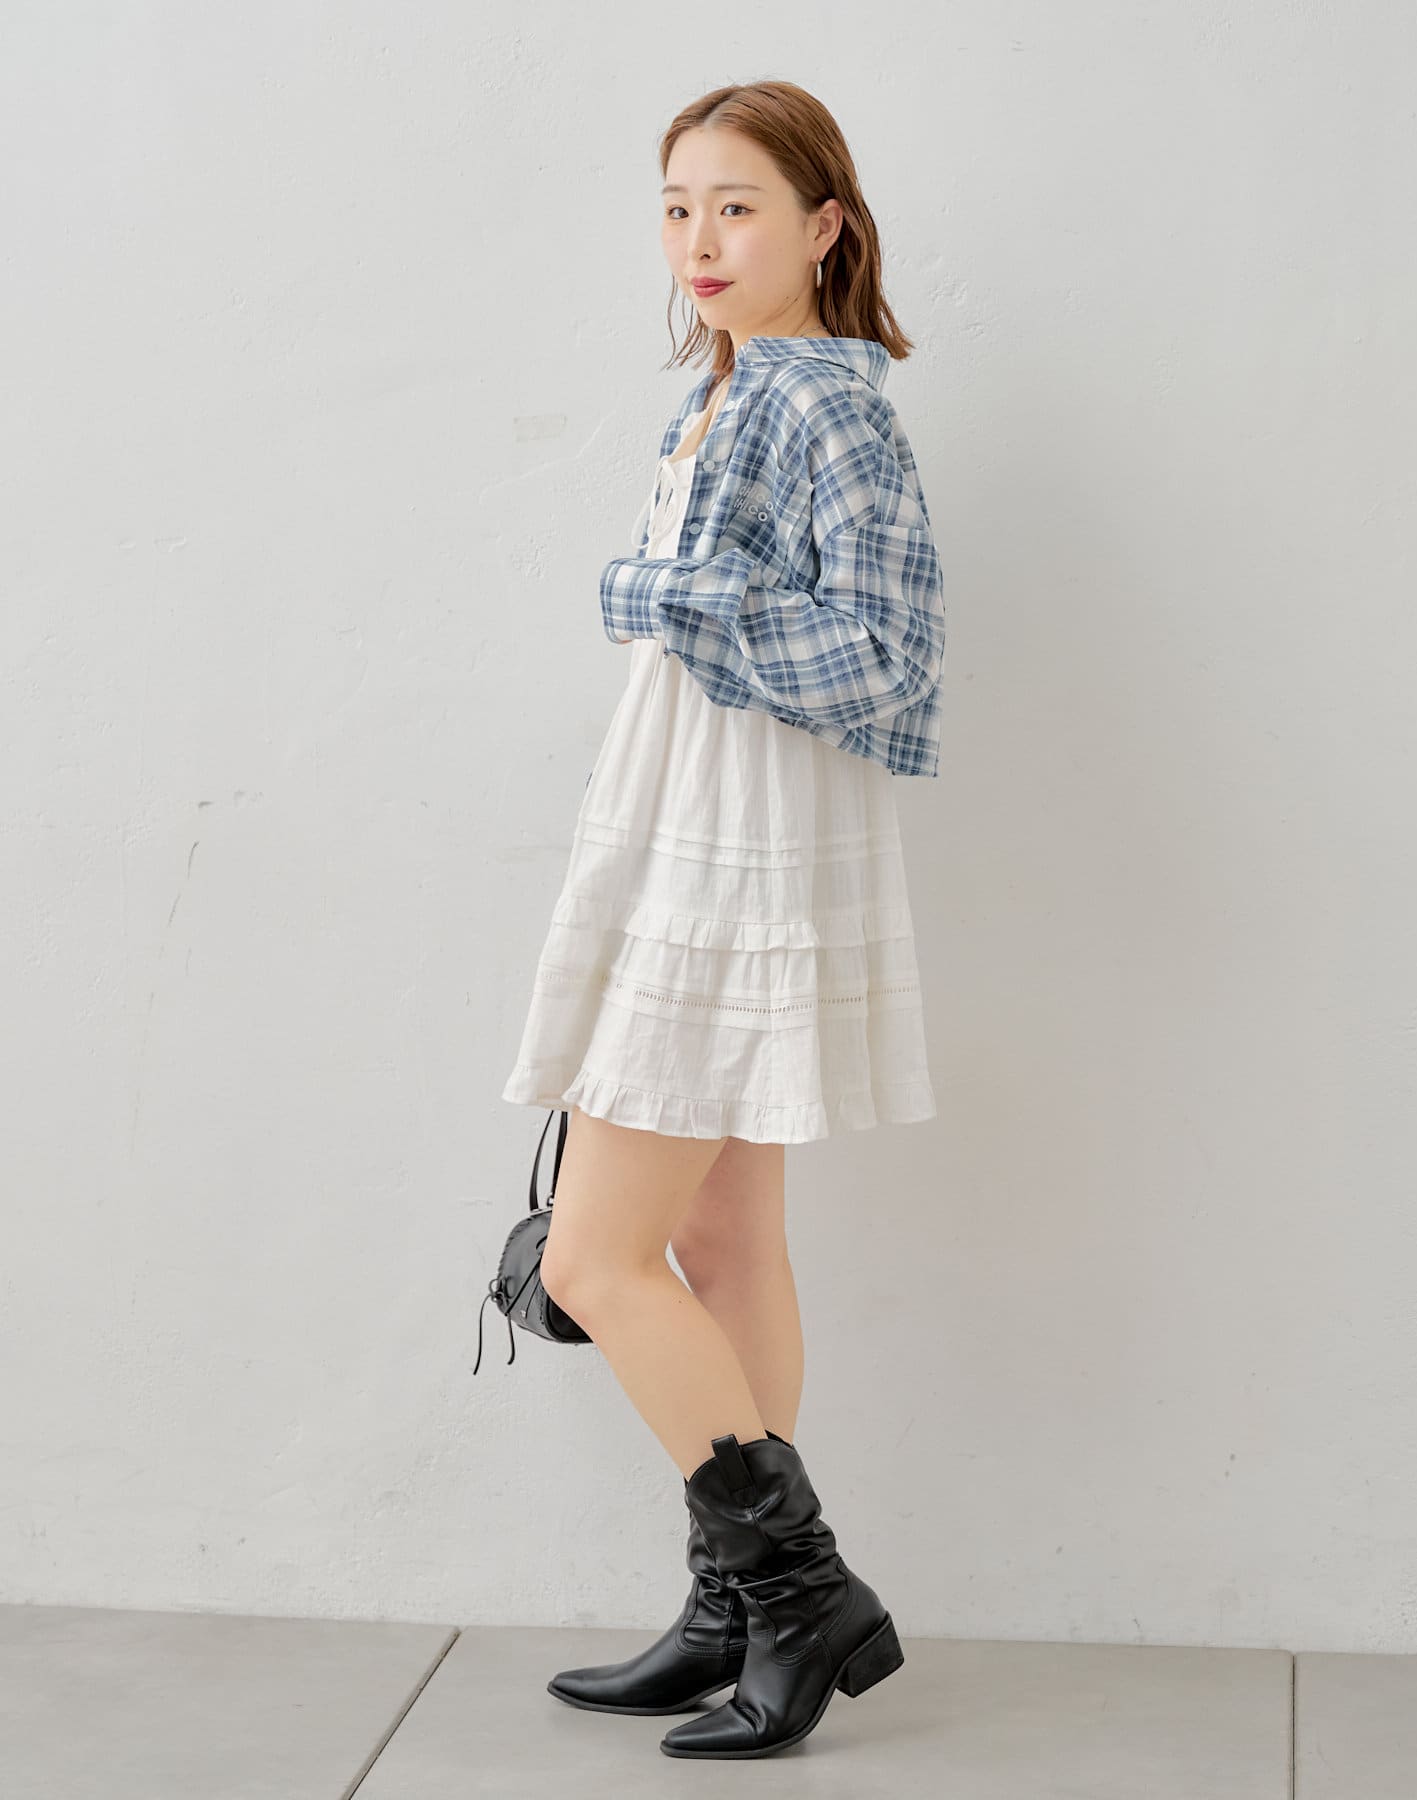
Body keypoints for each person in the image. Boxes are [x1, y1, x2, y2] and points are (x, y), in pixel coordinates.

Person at [499, 79, 945, 1759]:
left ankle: (801, 1595)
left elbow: (889, 661)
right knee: (723, 1246)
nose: (699, 238)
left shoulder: (823, 402)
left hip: (738, 859)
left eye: (738, 205)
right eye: (679, 205)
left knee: (595, 1255)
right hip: (702, 833)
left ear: (825, 226)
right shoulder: (728, 389)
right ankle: (729, 1610)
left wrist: (665, 592)